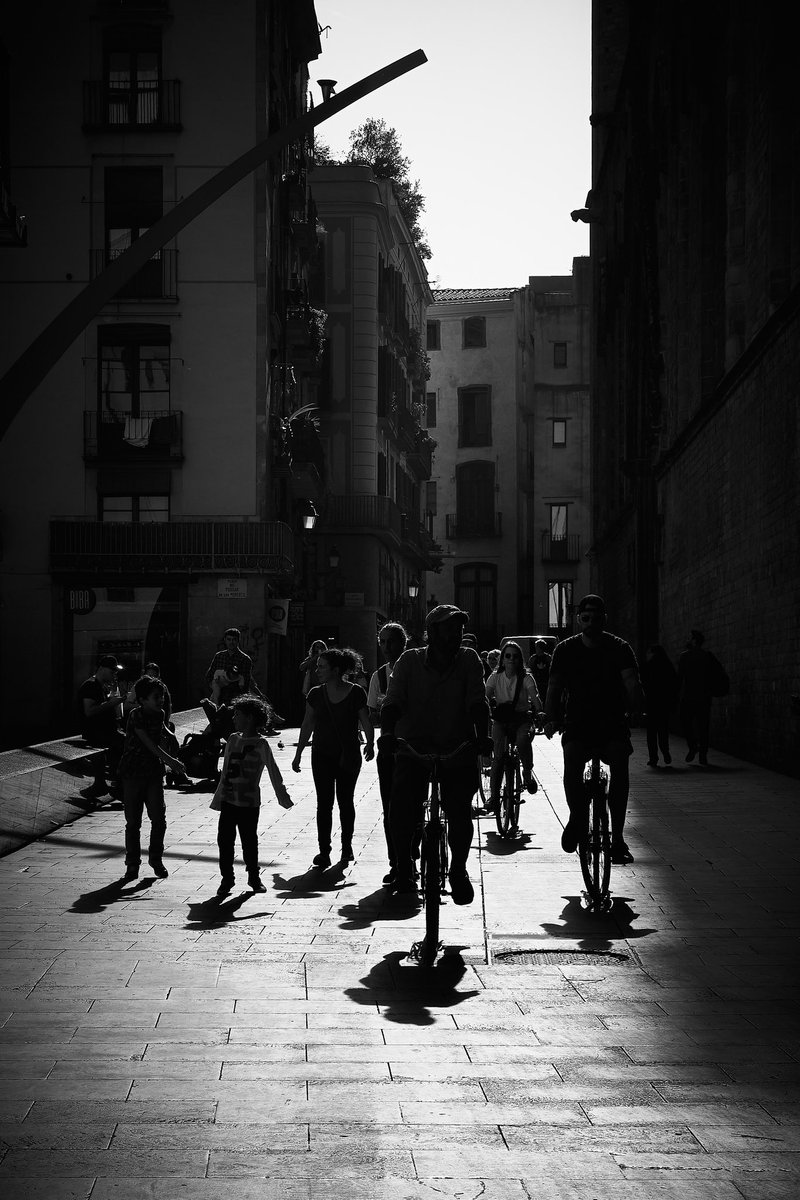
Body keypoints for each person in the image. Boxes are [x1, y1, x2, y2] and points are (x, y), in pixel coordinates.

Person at [379, 605, 492, 904]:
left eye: (459, 628)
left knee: (458, 809)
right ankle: (404, 865)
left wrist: (485, 738)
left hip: (457, 748)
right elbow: (392, 703)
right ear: (432, 633)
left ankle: (458, 870)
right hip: (414, 747)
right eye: (449, 628)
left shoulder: (469, 660)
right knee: (401, 804)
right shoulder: (409, 661)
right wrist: (387, 735)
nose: (456, 634)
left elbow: (477, 702)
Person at [543, 595, 644, 865]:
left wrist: (636, 709)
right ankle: (577, 817)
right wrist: (551, 717)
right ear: (579, 619)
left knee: (620, 766)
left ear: (604, 619)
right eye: (586, 617)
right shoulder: (565, 650)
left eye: (596, 617)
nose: (591, 622)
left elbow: (631, 682)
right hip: (578, 722)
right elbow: (554, 687)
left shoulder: (620, 648)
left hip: (612, 722)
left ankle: (618, 838)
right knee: (572, 760)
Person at [291, 648, 374, 869]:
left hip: (348, 755)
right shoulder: (315, 694)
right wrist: (298, 753)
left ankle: (346, 847)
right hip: (321, 754)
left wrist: (371, 743)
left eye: (321, 667)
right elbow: (307, 723)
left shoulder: (356, 692)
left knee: (345, 801)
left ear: (336, 670)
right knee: (324, 803)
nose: (317, 670)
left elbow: (365, 720)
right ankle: (324, 851)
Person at [210, 696, 293, 895]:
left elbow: (273, 771)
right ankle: (227, 878)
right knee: (225, 840)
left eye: (237, 715)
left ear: (249, 718)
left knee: (249, 841)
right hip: (229, 799)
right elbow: (226, 771)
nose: (234, 718)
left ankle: (253, 877)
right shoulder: (232, 739)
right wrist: (218, 797)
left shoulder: (260, 744)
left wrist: (283, 796)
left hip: (249, 803)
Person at [117, 675, 185, 882]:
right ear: (143, 699)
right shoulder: (135, 716)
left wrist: (170, 735)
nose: (161, 700)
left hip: (154, 773)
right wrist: (171, 761)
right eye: (156, 697)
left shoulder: (160, 714)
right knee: (133, 822)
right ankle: (132, 865)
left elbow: (163, 733)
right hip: (133, 773)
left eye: (162, 696)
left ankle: (156, 858)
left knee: (158, 819)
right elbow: (149, 744)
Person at [367, 622, 408, 886]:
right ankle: (396, 861)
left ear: (404, 643)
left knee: (412, 805)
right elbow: (371, 713)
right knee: (390, 807)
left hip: (412, 747)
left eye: (390, 642)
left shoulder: (416, 669)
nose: (385, 647)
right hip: (388, 749)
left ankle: (411, 853)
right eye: (382, 642)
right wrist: (382, 712)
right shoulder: (378, 677)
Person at [484, 640, 542, 809]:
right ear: (502, 658)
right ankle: (494, 798)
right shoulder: (495, 677)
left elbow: (535, 697)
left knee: (523, 739)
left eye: (515, 656)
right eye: (508, 655)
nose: (511, 659)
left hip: (521, 719)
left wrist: (539, 711)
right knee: (498, 758)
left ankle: (527, 772)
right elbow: (485, 697)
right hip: (501, 720)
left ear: (520, 659)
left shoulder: (526, 678)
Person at [78, 654, 126, 800]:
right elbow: (89, 711)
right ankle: (116, 785)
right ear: (102, 669)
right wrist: (112, 703)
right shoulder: (91, 685)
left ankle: (109, 784)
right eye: (112, 672)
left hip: (106, 731)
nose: (114, 675)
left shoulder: (102, 686)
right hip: (97, 733)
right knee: (127, 744)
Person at [677, 630, 727, 765]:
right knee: (703, 727)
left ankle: (693, 746)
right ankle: (703, 755)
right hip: (704, 697)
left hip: (688, 696)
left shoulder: (684, 657)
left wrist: (676, 695)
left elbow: (679, 678)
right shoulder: (708, 656)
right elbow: (718, 672)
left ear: (694, 641)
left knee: (685, 723)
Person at [642, 644, 678, 767]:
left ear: (652, 653)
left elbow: (643, 685)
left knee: (651, 732)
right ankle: (665, 752)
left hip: (652, 703)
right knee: (663, 730)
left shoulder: (648, 666)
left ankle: (653, 757)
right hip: (664, 703)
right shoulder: (667, 665)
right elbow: (674, 684)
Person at [204, 628, 253, 703]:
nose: (231, 642)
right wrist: (215, 688)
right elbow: (209, 676)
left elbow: (245, 684)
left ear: (238, 640)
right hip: (219, 698)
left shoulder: (245, 659)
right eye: (229, 639)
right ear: (225, 640)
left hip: (235, 700)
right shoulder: (219, 656)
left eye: (234, 639)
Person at [529, 639, 552, 708]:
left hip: (545, 684)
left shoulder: (548, 658)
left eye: (537, 647)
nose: (536, 648)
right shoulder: (533, 658)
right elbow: (530, 671)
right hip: (536, 684)